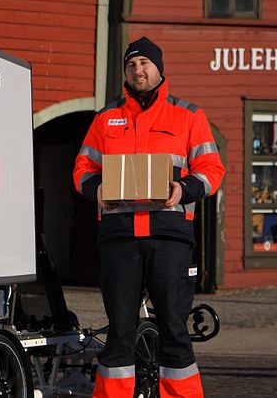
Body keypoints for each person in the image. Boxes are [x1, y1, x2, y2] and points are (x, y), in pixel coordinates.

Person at [73, 36, 225, 398]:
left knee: (174, 329)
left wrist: (183, 190)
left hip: (169, 237)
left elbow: (212, 169)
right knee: (120, 330)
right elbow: (82, 167)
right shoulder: (106, 118)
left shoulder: (188, 115)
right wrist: (95, 188)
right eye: (131, 65)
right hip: (119, 238)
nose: (137, 70)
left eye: (144, 64)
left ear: (159, 69)